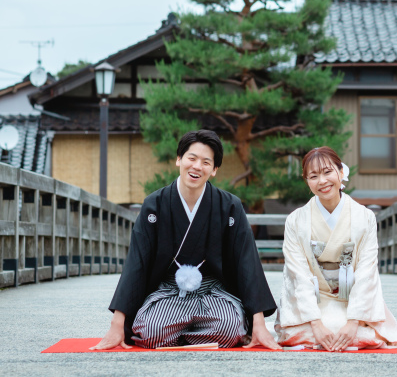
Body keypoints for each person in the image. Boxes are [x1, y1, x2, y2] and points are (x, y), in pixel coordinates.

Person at [92, 130, 280, 350]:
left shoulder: (229, 206)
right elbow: (137, 263)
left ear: (215, 169)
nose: (197, 166)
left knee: (231, 329)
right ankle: (197, 337)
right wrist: (117, 323)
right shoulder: (155, 204)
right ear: (179, 159)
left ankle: (179, 335)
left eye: (206, 162)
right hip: (169, 291)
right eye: (191, 158)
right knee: (150, 332)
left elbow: (247, 263)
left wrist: (258, 323)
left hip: (213, 293)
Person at [274, 146, 397, 351]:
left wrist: (353, 321)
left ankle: (348, 331)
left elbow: (367, 272)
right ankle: (338, 333)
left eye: (328, 172)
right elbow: (298, 274)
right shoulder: (296, 220)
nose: (322, 181)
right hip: (313, 301)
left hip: (350, 301)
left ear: (341, 173)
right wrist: (315, 322)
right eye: (313, 176)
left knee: (341, 329)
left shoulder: (364, 217)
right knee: (307, 330)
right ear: (307, 182)